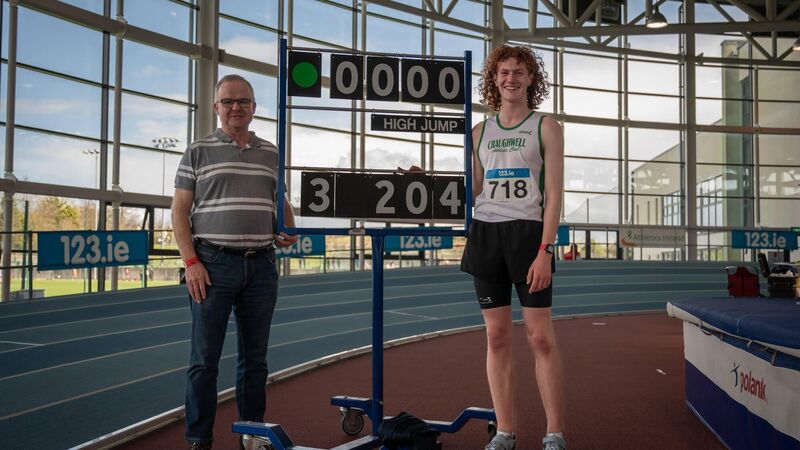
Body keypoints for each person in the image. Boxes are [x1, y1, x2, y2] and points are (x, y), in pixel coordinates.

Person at [172, 74, 297, 450]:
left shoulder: (271, 153)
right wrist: (191, 262)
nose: (235, 108)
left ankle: (252, 432)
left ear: (254, 108)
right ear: (216, 108)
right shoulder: (197, 151)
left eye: (242, 101)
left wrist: (288, 227)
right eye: (228, 102)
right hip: (211, 265)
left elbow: (282, 203)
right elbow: (179, 210)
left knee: (255, 360)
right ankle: (198, 438)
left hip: (261, 265)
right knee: (204, 360)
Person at [460, 45, 566, 450]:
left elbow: (554, 193)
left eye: (519, 72)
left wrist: (546, 249)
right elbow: (471, 189)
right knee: (497, 337)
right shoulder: (479, 133)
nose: (511, 78)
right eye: (504, 72)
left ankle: (554, 431)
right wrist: (435, 187)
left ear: (530, 79)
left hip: (528, 238)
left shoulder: (547, 127)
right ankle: (505, 431)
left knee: (539, 337)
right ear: (494, 79)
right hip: (487, 234)